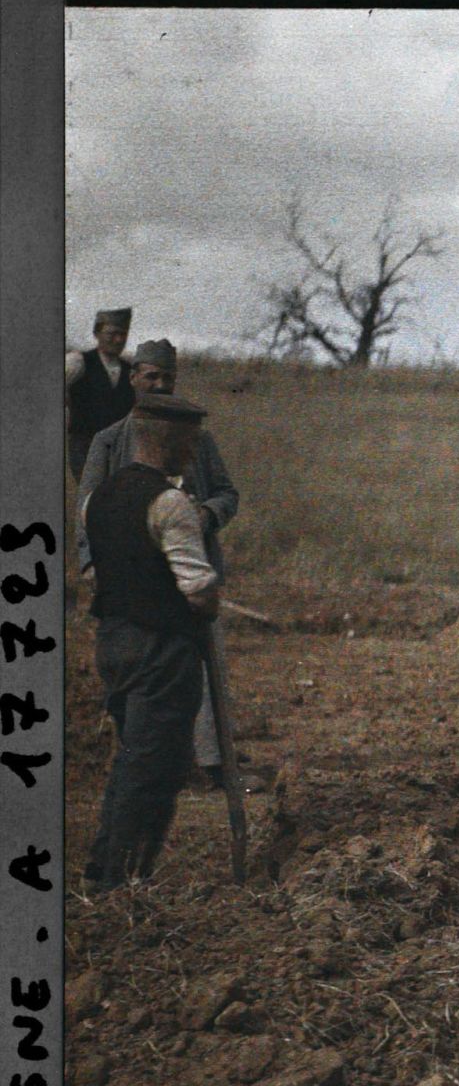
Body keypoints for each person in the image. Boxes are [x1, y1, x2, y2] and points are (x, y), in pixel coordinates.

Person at [77, 339, 244, 789]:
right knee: (142, 676)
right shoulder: (109, 442)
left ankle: (213, 765)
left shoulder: (198, 441)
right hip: (134, 583)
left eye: (167, 377)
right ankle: (148, 768)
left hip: (192, 570)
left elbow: (228, 494)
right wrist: (91, 565)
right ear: (133, 379)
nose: (160, 384)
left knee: (205, 669)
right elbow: (88, 509)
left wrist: (204, 515)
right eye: (151, 376)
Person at [79, 392, 221, 892]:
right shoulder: (171, 503)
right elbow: (198, 588)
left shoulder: (97, 500)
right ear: (170, 440)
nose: (194, 453)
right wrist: (210, 604)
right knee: (156, 768)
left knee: (133, 757)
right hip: (161, 650)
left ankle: (106, 865)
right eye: (190, 442)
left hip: (112, 644)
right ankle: (123, 880)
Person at [64, 307, 134, 479]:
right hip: (85, 448)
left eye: (123, 334)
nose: (118, 340)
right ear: (97, 333)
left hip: (118, 451)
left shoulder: (130, 371)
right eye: (112, 334)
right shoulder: (77, 362)